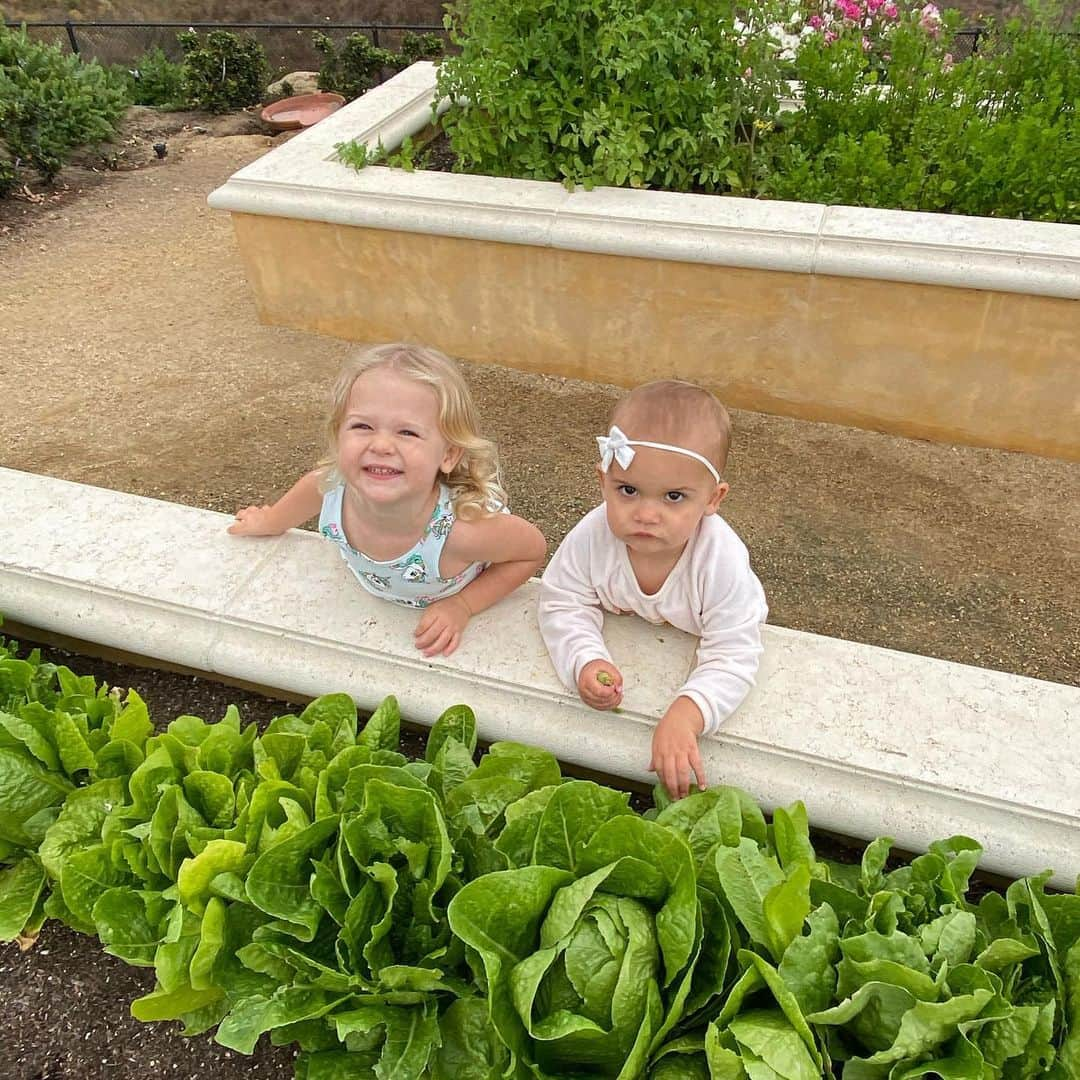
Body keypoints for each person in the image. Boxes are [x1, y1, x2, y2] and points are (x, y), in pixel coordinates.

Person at [229, 342, 546, 657]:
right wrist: (268, 521)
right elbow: (294, 505)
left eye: (407, 432)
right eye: (362, 426)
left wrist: (462, 604)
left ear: (448, 454)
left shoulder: (464, 532)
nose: (381, 444)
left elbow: (530, 552)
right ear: (338, 436)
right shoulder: (328, 487)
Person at [537, 380, 767, 801]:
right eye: (628, 490)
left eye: (674, 496)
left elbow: (735, 651)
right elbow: (561, 599)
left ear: (713, 499)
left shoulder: (720, 561)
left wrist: (688, 714)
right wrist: (585, 659)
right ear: (603, 480)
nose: (645, 513)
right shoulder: (592, 535)